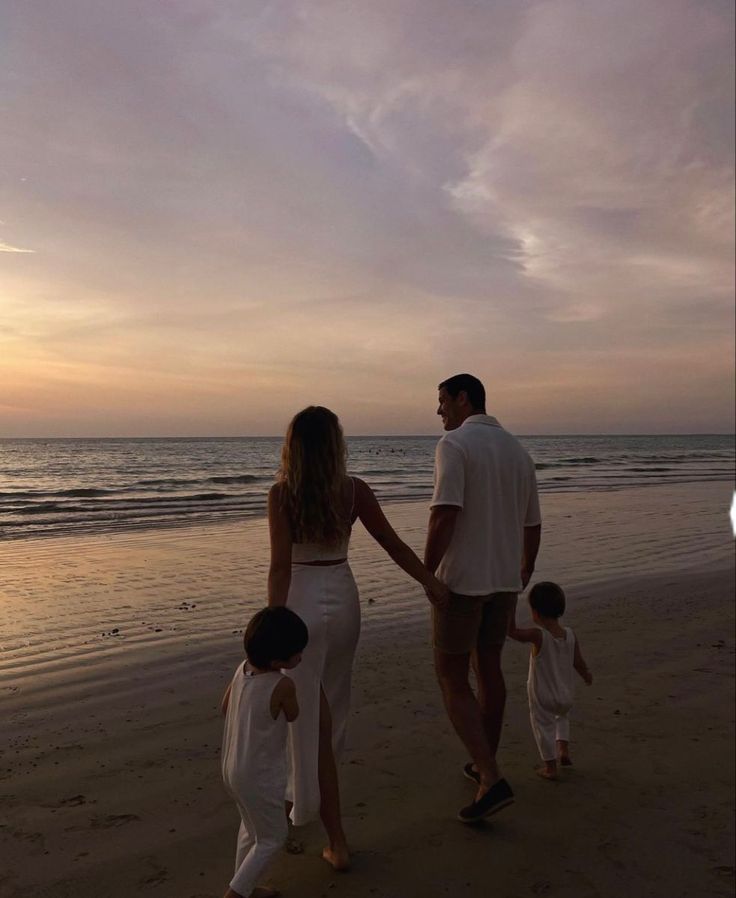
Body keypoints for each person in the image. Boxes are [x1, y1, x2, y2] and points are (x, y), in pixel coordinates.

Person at [268, 406, 448, 870]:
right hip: (342, 597)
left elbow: (280, 566)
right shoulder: (353, 491)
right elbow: (392, 543)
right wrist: (429, 581)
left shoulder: (281, 495)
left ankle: (305, 807)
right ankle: (324, 820)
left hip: (300, 600)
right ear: (335, 445)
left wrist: (272, 622)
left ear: (293, 447)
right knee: (335, 707)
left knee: (301, 712)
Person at [424, 373, 542, 823]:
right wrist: (525, 567)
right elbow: (532, 522)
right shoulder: (517, 450)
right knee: (488, 667)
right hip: (503, 580)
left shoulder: (454, 445)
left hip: (463, 583)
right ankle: (483, 761)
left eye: (441, 401)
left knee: (452, 677)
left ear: (462, 398)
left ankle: (490, 776)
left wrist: (426, 572)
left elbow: (444, 515)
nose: (439, 412)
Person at [220, 605, 309, 898]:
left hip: (232, 767)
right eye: (297, 653)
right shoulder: (283, 684)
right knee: (273, 837)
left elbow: (224, 707)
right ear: (276, 660)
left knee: (251, 829)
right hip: (259, 776)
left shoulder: (241, 670)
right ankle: (234, 894)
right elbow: (293, 716)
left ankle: (244, 886)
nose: (301, 657)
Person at [508, 581, 593, 779]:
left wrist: (508, 607)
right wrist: (586, 675)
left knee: (542, 727)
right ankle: (563, 751)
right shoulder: (570, 635)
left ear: (535, 612)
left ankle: (550, 767)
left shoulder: (539, 636)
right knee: (562, 717)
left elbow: (513, 633)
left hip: (543, 697)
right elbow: (578, 662)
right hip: (566, 695)